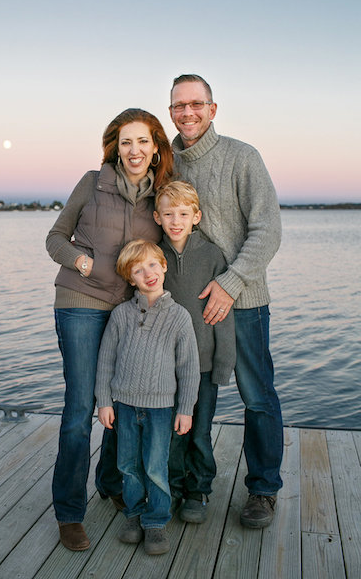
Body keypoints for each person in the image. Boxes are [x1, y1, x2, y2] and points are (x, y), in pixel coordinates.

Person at [46, 108, 173, 551]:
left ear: (155, 148)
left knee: (122, 401)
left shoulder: (161, 195)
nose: (133, 150)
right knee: (81, 409)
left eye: (142, 142)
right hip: (80, 302)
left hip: (128, 310)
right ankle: (69, 512)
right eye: (125, 142)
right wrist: (83, 262)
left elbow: (174, 240)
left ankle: (110, 482)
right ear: (115, 148)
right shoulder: (92, 181)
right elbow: (55, 238)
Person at [168, 74, 283, 529]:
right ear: (171, 110)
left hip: (245, 300)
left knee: (256, 397)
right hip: (187, 304)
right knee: (184, 397)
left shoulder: (242, 157)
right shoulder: (167, 163)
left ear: (213, 109)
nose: (188, 112)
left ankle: (264, 490)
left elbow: (268, 231)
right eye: (179, 105)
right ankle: (181, 483)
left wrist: (230, 283)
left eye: (197, 104)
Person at [95, 240, 200, 555]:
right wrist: (104, 401)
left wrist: (185, 409)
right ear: (130, 279)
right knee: (128, 464)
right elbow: (105, 361)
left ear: (164, 266)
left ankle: (155, 521)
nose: (148, 274)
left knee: (155, 466)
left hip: (160, 409)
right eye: (138, 270)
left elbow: (189, 368)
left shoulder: (179, 317)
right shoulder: (121, 315)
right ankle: (134, 513)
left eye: (153, 265)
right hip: (125, 406)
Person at [153, 181, 236, 523]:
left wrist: (223, 364)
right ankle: (171, 487)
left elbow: (223, 316)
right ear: (156, 217)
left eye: (184, 214)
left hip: (203, 365)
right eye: (169, 214)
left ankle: (198, 489)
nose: (176, 221)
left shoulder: (212, 255)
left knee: (200, 430)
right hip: (165, 367)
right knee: (172, 432)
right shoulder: (153, 257)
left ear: (196, 216)